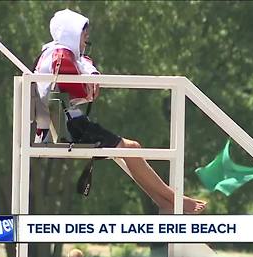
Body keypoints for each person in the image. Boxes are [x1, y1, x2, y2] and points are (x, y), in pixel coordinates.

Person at [33, 9, 206, 214]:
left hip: (67, 122)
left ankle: (167, 199)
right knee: (131, 148)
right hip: (72, 127)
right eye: (83, 37)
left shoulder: (53, 53)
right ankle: (173, 199)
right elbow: (78, 87)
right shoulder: (60, 55)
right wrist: (89, 83)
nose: (85, 42)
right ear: (71, 34)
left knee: (131, 148)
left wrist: (91, 74)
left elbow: (83, 66)